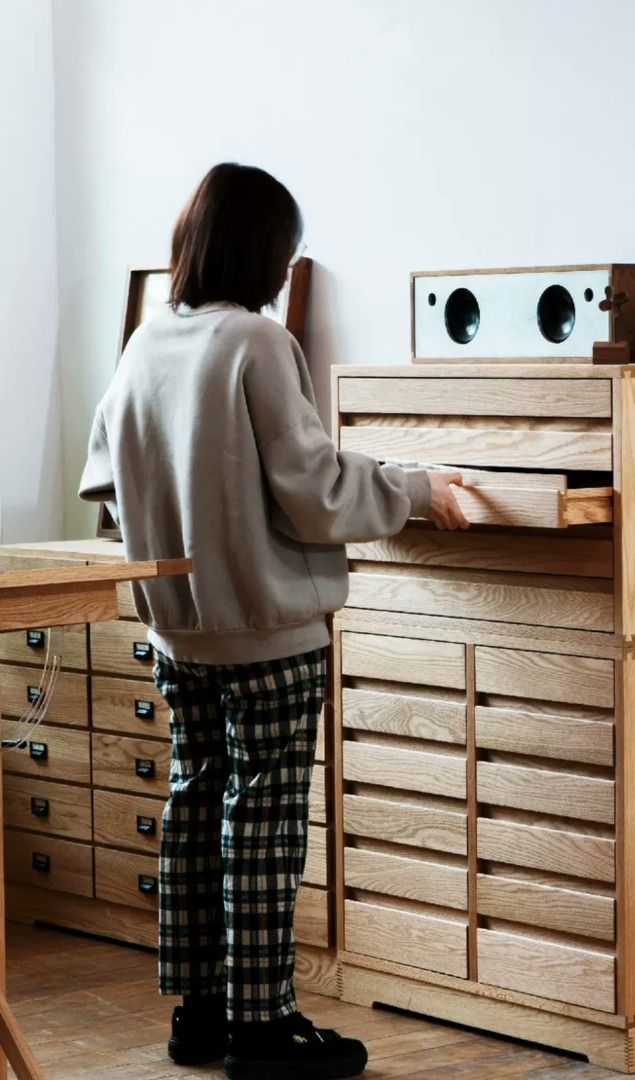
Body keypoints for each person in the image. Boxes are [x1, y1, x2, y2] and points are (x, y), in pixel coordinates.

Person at [78, 162, 468, 1080]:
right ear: (264, 252)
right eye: (284, 255)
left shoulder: (145, 343)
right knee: (265, 823)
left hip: (179, 633)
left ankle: (200, 1016)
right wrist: (416, 490)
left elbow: (107, 490)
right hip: (270, 637)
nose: (286, 272)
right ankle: (264, 1028)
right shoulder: (255, 342)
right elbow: (316, 490)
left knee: (195, 802)